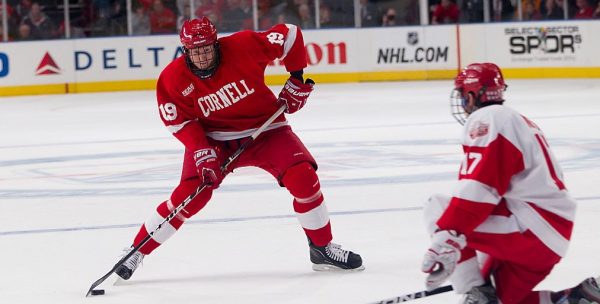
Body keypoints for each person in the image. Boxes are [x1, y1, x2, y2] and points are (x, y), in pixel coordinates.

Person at [115, 17, 364, 281]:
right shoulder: (172, 79)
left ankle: (322, 248)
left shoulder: (244, 45)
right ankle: (136, 250)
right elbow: (178, 121)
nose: (201, 57)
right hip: (214, 140)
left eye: (206, 49)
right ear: (185, 50)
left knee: (303, 176)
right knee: (191, 196)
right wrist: (201, 149)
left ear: (216, 44)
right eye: (195, 51)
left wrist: (296, 76)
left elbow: (290, 34)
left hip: (266, 129)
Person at [420, 63, 600, 304]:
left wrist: (449, 239)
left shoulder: (488, 118)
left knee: (438, 206)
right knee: (502, 301)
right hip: (549, 234)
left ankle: (475, 291)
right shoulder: (515, 120)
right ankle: (575, 298)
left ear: (472, 95)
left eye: (464, 95)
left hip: (531, 229)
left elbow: (480, 187)